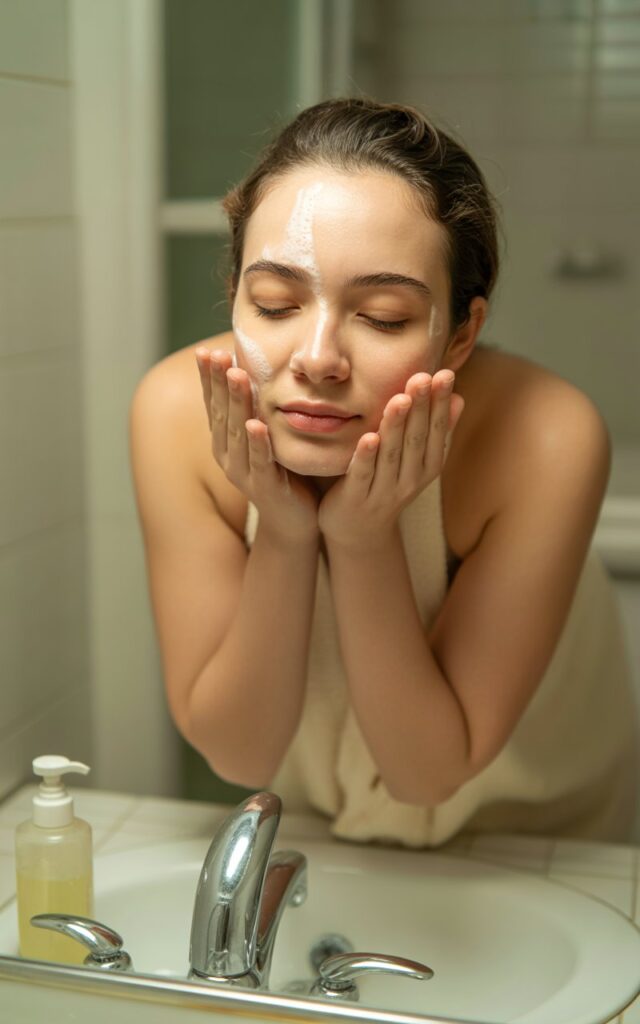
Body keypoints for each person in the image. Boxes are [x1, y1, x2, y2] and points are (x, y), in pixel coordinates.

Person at [129, 97, 637, 847]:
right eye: (274, 304)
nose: (318, 358)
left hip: (539, 839)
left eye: (384, 318)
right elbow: (239, 752)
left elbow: (427, 772)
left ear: (461, 334)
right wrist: (285, 535)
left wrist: (364, 539)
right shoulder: (177, 415)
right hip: (329, 831)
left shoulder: (545, 437)